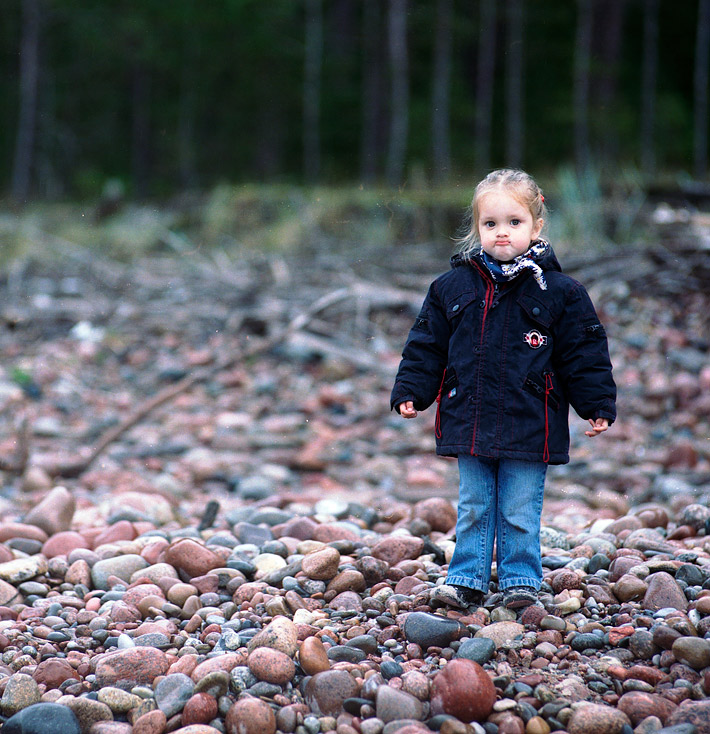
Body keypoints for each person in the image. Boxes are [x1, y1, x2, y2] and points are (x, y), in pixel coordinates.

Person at [390, 169, 616, 610]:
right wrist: (411, 390)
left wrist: (596, 404)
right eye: (490, 223)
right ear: (477, 227)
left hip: (531, 418)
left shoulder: (561, 292)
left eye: (514, 222)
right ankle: (466, 578)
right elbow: (426, 345)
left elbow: (584, 353)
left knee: (519, 507)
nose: (502, 232)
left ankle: (520, 580)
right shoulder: (450, 287)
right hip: (469, 415)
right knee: (474, 504)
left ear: (536, 226)